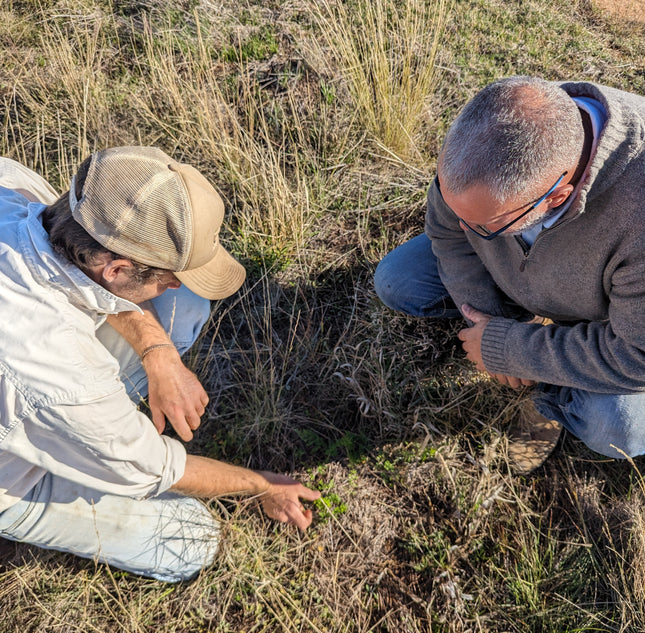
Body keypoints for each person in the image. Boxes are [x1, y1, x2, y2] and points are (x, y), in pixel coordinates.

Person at [0, 147, 320, 582]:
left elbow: (74, 272)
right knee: (189, 539)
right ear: (116, 269)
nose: (171, 283)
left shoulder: (12, 189)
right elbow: (153, 467)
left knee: (180, 305)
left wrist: (159, 353)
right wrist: (263, 484)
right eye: (167, 273)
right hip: (13, 477)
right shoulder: (65, 380)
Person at [375, 76, 645, 473]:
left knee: (620, 427)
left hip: (614, 317)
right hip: (524, 273)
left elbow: (636, 357)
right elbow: (448, 232)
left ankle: (548, 399)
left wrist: (515, 350)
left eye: (484, 225)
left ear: (556, 196)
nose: (462, 227)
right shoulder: (498, 130)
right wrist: (489, 318)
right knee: (398, 281)